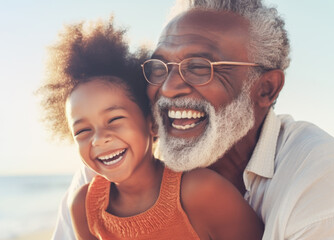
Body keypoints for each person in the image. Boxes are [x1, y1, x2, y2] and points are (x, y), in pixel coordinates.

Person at [52, 1, 334, 240]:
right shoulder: (107, 171)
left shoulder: (313, 165)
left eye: (199, 67)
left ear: (265, 89)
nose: (169, 88)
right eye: (159, 67)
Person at [39, 19, 263, 239]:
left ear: (153, 123)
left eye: (114, 119)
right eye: (82, 131)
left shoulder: (202, 192)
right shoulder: (83, 207)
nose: (99, 139)